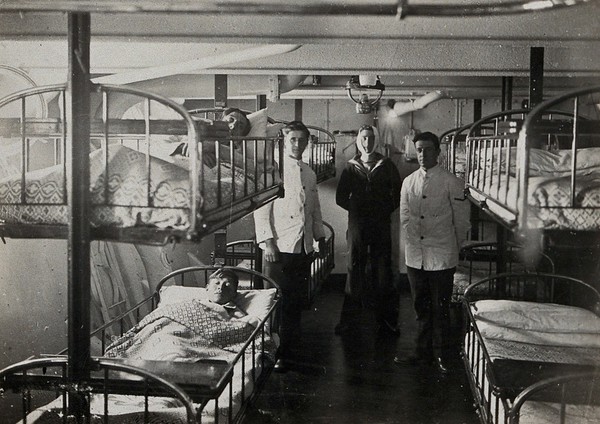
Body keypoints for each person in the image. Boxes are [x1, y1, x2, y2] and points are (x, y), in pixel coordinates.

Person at [394, 131, 470, 374]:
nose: (423, 154)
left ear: (438, 152)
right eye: (419, 150)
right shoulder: (409, 181)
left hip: (441, 254)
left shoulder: (451, 182)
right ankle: (422, 351)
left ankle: (442, 354)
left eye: (428, 149)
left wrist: (453, 248)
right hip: (416, 255)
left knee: (441, 308)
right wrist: (413, 239)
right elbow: (405, 216)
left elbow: (461, 221)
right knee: (420, 307)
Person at [253, 120, 327, 372]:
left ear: (307, 142)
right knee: (275, 302)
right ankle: (271, 352)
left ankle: (290, 348)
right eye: (292, 139)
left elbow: (314, 208)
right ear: (285, 141)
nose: (297, 144)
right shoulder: (272, 172)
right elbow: (261, 211)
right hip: (279, 248)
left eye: (301, 139)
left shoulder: (309, 172)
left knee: (295, 303)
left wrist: (318, 235)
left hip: (302, 247)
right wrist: (268, 242)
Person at [334, 124, 402, 337]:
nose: (367, 142)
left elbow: (398, 195)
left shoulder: (387, 165)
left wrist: (381, 211)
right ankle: (349, 321)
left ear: (377, 140)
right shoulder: (350, 166)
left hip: (381, 225)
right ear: (358, 141)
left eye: (371, 138)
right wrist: (358, 211)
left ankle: (386, 322)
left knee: (383, 270)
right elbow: (340, 198)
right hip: (357, 226)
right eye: (363, 138)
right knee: (354, 268)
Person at [170, 107, 251, 166]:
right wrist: (188, 147)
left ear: (241, 135)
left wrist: (214, 147)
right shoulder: (194, 133)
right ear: (220, 121)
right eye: (230, 120)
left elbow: (249, 166)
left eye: (240, 127)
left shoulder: (237, 151)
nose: (233, 126)